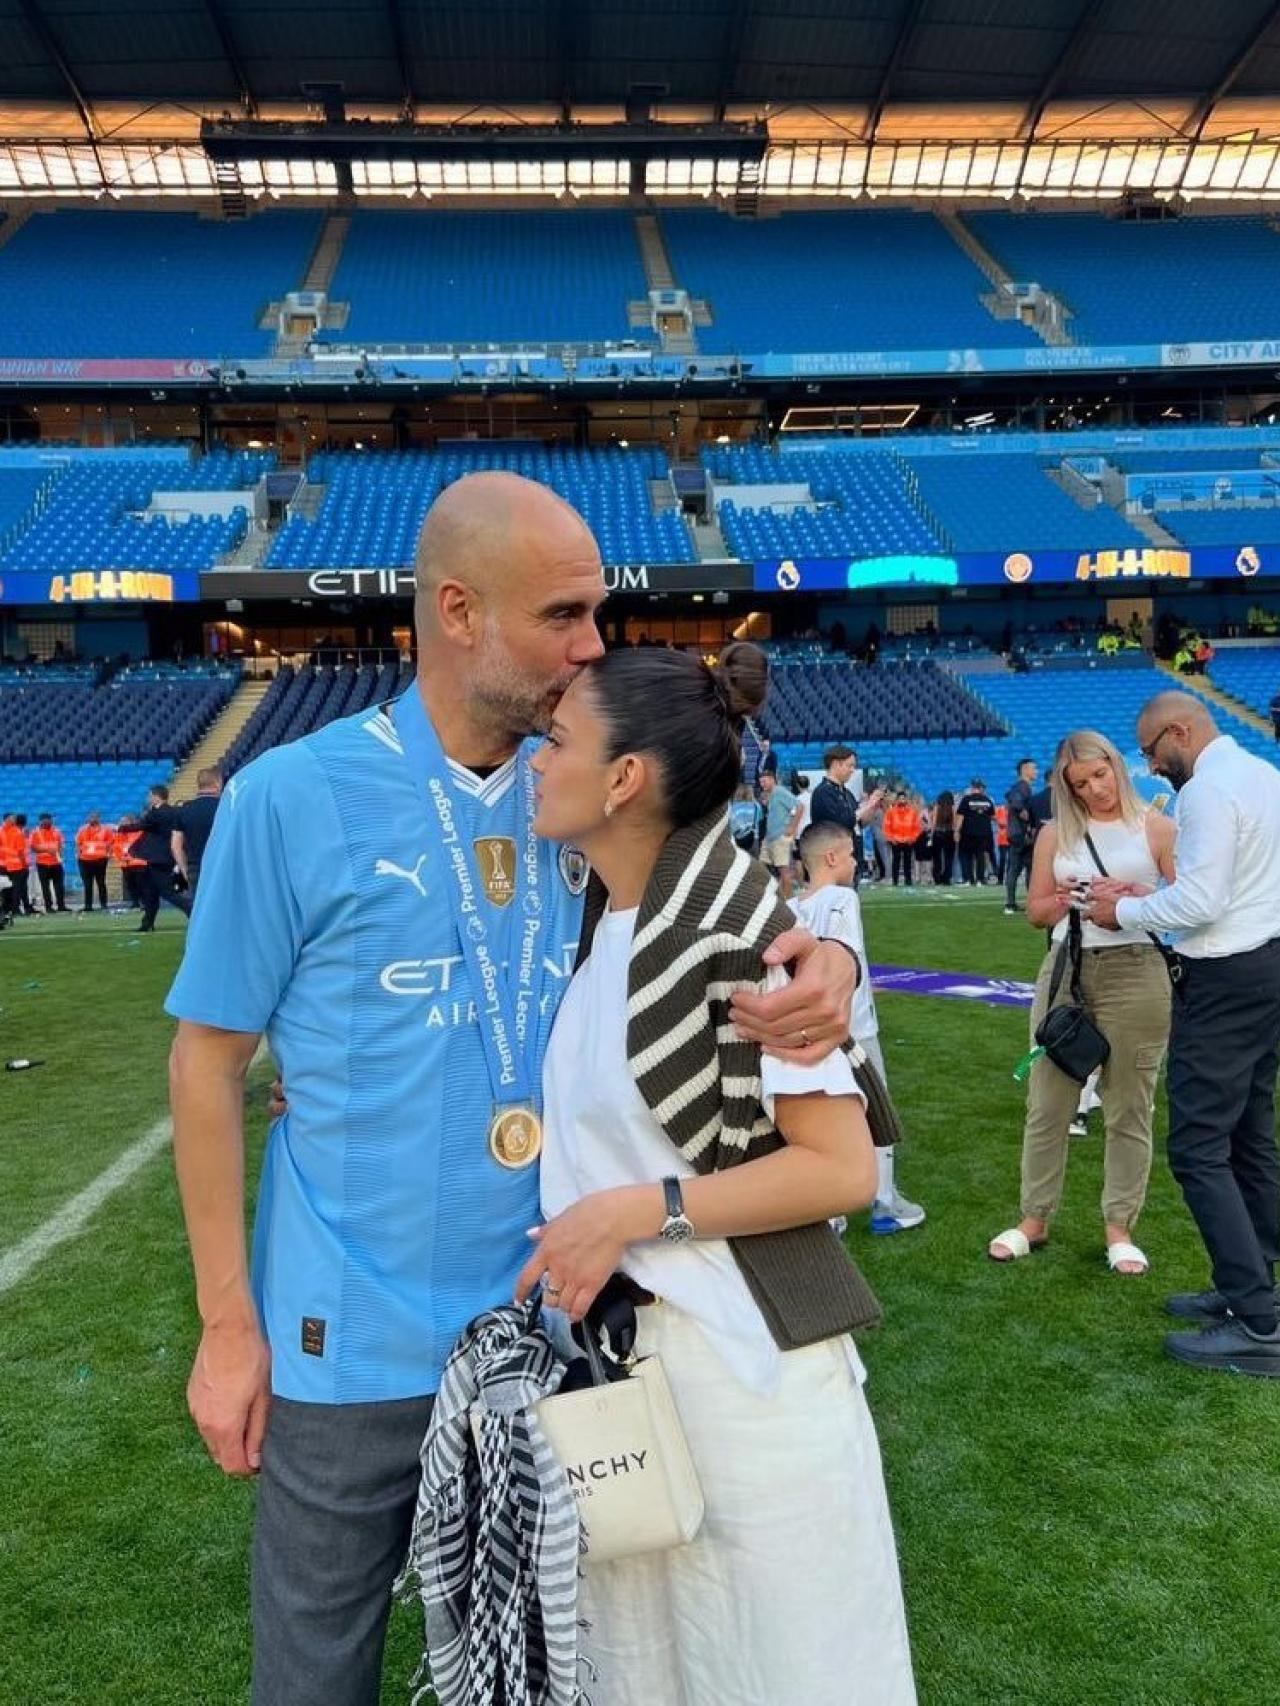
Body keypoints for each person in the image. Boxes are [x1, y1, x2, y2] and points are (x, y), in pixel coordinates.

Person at [166, 473, 859, 1706]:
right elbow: (207, 1061)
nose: (593, 645)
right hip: (349, 1342)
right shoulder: (288, 797)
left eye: (597, 613)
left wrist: (832, 956)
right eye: (563, 616)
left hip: (554, 1339)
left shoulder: (588, 804)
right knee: (314, 1673)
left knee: (541, 1670)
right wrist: (229, 1323)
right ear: (456, 610)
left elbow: (743, 915)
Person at [523, 645, 916, 1705]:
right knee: (649, 1665)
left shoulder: (740, 926)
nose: (535, 759)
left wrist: (636, 1212)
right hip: (632, 1377)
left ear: (623, 778)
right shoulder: (604, 919)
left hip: (747, 1378)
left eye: (557, 740)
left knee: (781, 1666)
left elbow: (838, 1168)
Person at [1089, 693, 1280, 1374]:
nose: (1147, 763)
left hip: (1227, 977)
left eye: (1149, 749)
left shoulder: (1206, 791)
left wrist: (1126, 910)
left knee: (1200, 1147)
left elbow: (1201, 901)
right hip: (1266, 967)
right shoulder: (1263, 774)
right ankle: (1251, 1292)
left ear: (1180, 731)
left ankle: (1259, 1322)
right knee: (1248, 1137)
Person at [987, 731, 1174, 1275]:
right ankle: (1034, 1219)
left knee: (1129, 1105)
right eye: (1081, 783)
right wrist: (1069, 899)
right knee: (1047, 1102)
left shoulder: (1157, 828)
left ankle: (1120, 1228)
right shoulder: (1054, 833)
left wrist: (1140, 898)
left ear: (1116, 765)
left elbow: (1192, 905)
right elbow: (1036, 912)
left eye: (1100, 774)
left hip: (1138, 970)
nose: (1095, 789)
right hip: (1066, 969)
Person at [798, 819, 926, 1236]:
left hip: (810, 1029)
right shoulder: (841, 898)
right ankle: (883, 1201)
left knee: (824, 1117)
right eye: (851, 853)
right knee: (876, 1109)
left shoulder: (792, 906)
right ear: (832, 857)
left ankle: (829, 1210)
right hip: (852, 1027)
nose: (855, 861)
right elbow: (842, 954)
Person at [134, 783, 190, 931]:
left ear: (156, 796)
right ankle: (147, 923)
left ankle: (192, 911)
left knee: (167, 892)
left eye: (150, 795)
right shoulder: (172, 812)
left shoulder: (158, 813)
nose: (148, 798)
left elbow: (142, 825)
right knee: (151, 893)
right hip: (163, 857)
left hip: (158, 858)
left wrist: (121, 829)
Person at [172, 768, 223, 903]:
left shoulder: (184, 809)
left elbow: (175, 846)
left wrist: (185, 870)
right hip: (222, 864)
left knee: (200, 910)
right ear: (217, 783)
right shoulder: (225, 806)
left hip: (195, 867)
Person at [1003, 757, 1041, 915]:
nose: (1036, 771)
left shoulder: (1021, 788)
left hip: (1017, 833)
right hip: (1020, 834)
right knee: (1020, 869)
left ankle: (1014, 903)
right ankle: (1013, 903)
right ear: (1024, 769)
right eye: (1034, 768)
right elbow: (1017, 806)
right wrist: (1033, 819)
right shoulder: (1022, 787)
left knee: (1021, 869)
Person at [760, 768, 803, 898]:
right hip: (769, 838)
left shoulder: (780, 792)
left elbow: (799, 806)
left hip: (780, 837)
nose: (762, 784)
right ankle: (777, 895)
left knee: (783, 871)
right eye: (760, 782)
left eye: (764, 781)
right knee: (761, 866)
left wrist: (792, 827)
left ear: (773, 780)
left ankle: (788, 902)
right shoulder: (772, 794)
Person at [956, 779, 995, 885]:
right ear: (980, 788)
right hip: (984, 833)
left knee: (966, 855)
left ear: (972, 787)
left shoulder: (966, 799)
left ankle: (968, 879)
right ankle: (980, 880)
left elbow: (960, 816)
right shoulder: (987, 800)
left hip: (968, 832)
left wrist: (957, 831)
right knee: (980, 856)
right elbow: (992, 816)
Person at [76, 810, 113, 912]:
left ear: (98, 818)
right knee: (87, 884)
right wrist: (78, 855)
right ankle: (88, 906)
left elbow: (110, 844)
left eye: (94, 817)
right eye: (90, 817)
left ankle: (104, 904)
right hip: (84, 860)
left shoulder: (106, 830)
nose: (92, 819)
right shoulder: (82, 830)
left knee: (101, 883)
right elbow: (78, 844)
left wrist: (108, 854)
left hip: (100, 860)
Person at [30, 813, 67, 913]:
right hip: (42, 863)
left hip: (56, 863)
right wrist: (46, 850)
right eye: (46, 820)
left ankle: (61, 906)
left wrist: (60, 855)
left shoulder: (57, 831)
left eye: (50, 820)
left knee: (59, 886)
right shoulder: (35, 833)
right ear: (41, 821)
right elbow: (33, 847)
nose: (49, 822)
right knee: (45, 887)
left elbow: (61, 845)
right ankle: (49, 907)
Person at [883, 790, 921, 888]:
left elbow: (916, 827)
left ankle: (908, 881)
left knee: (908, 862)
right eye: (900, 798)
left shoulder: (912, 812)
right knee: (896, 861)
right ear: (896, 800)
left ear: (906, 800)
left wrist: (913, 838)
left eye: (903, 798)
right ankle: (895, 881)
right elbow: (887, 827)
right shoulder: (891, 812)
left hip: (908, 840)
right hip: (896, 841)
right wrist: (891, 838)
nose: (902, 800)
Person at [1, 811, 30, 920]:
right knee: (7, 889)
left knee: (15, 889)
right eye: (12, 818)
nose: (14, 820)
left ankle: (14, 909)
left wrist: (23, 864)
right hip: (7, 865)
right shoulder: (15, 832)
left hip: (14, 866)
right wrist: (24, 864)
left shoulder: (17, 832)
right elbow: (20, 852)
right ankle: (8, 910)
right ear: (6, 819)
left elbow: (21, 851)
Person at [114, 816, 147, 911]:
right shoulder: (119, 834)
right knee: (130, 884)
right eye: (121, 821)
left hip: (137, 863)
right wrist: (120, 858)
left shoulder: (139, 832)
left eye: (124, 821)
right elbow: (116, 847)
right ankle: (135, 903)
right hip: (125, 863)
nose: (122, 823)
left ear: (131, 822)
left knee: (141, 884)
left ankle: (144, 903)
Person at [931, 791, 956, 885]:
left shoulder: (937, 807)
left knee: (937, 857)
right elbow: (954, 822)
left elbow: (933, 822)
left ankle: (937, 878)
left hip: (938, 833)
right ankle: (947, 878)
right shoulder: (952, 808)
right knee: (949, 857)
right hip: (949, 833)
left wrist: (931, 835)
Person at [728, 781, 761, 854]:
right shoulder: (756, 806)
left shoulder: (733, 807)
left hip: (737, 841)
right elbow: (759, 820)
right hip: (754, 839)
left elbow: (731, 826)